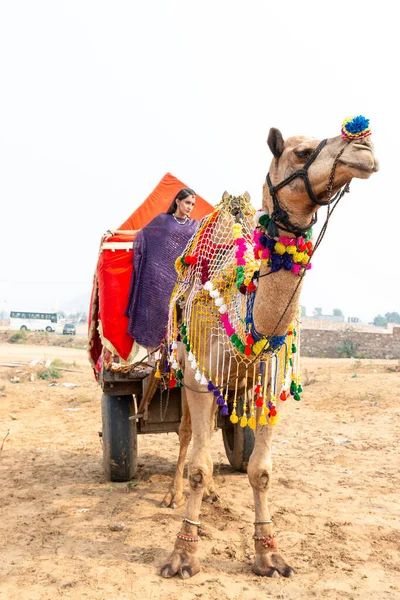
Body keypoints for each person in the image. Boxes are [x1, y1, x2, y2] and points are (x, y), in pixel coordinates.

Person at [126, 188, 198, 357]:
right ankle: (152, 359)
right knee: (154, 318)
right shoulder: (162, 220)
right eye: (187, 202)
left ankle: (177, 359)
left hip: (183, 282)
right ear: (178, 201)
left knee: (181, 320)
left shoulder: (195, 226)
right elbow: (143, 235)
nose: (190, 207)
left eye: (193, 204)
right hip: (158, 281)